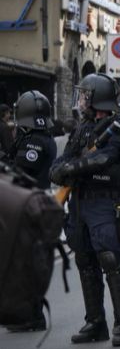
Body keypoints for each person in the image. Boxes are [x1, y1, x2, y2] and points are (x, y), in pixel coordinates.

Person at [50, 73, 120, 346]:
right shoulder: (82, 128)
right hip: (79, 202)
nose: (82, 99)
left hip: (103, 200)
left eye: (86, 95)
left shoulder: (119, 128)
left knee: (109, 258)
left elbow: (105, 158)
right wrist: (59, 170)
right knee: (84, 261)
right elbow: (63, 159)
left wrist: (72, 168)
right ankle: (95, 322)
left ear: (98, 98)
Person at [5, 90, 58, 332]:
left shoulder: (33, 141)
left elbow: (21, 172)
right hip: (38, 203)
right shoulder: (43, 137)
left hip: (30, 205)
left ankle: (33, 316)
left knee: (27, 260)